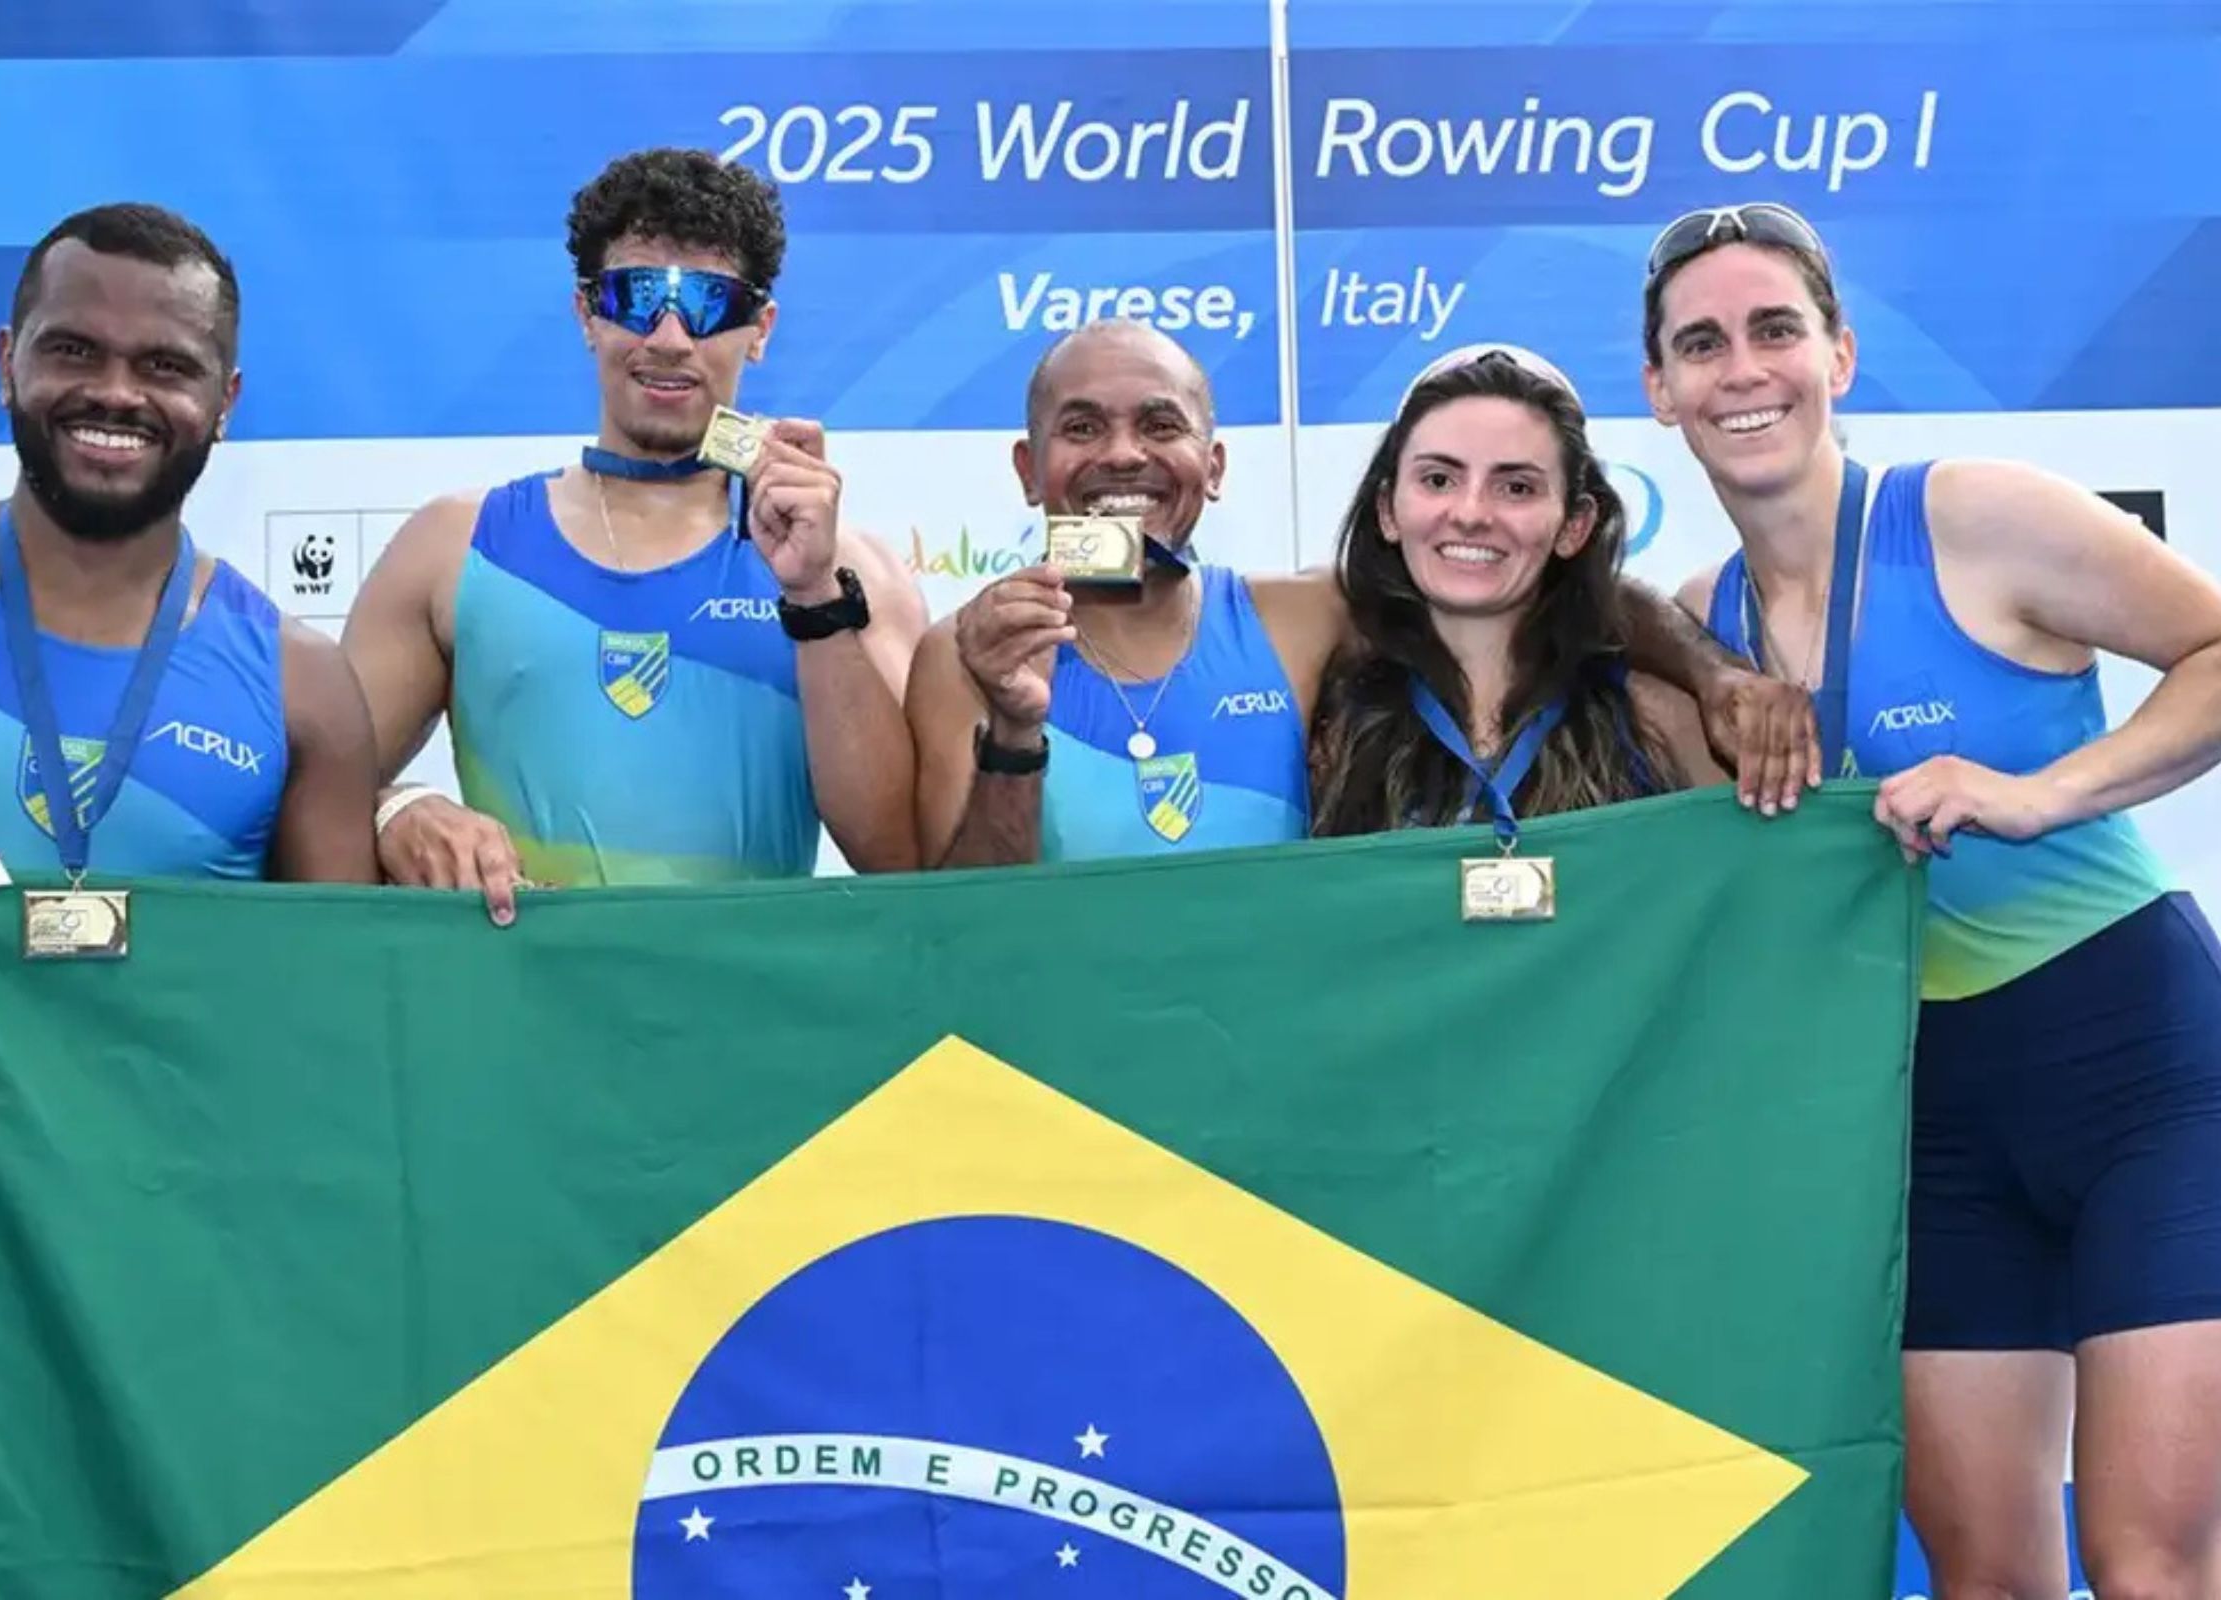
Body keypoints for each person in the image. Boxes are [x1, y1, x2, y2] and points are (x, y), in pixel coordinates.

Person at [1646, 200, 2221, 1600]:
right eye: (1702, 344)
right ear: (1658, 391)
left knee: (2147, 1567)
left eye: (1777, 330)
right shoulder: (1690, 625)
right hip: (1921, 1116)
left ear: (1839, 353)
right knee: (1984, 1580)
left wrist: (2047, 792)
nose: (1744, 370)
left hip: (2137, 1068)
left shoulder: (1970, 515)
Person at [0, 203, 380, 1600]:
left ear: (225, 400)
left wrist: (428, 825)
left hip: (149, 1241)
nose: (117, 392)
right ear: (8, 357)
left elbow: (336, 1027)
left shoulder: (300, 687)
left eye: (167, 364)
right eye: (75, 348)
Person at [904, 319, 1809, 868]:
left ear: (1213, 467)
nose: (1124, 456)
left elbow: (1546, 593)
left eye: (1160, 425)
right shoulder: (964, 655)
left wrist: (1713, 674)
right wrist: (1016, 735)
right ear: (1029, 470)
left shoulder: (1306, 620)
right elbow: (956, 924)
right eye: (1081, 427)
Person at [342, 148, 927, 915]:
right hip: (523, 1019)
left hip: (755, 1021)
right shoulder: (455, 547)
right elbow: (302, 805)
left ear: (760, 328)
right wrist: (397, 809)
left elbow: (903, 862)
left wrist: (816, 596)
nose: (671, 337)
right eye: (638, 295)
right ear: (587, 312)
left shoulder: (851, 573)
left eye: (710, 303)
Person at [1307, 345, 1724, 837]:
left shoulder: (1658, 722)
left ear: (1574, 524)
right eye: (1438, 479)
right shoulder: (1325, 732)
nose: (1470, 514)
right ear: (1388, 510)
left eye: (1517, 488)